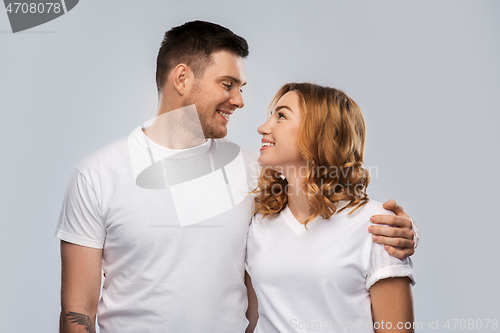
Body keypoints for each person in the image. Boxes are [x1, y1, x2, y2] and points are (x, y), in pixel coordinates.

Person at [56, 21, 417, 333]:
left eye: (241, 87)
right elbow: (78, 311)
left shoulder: (257, 174)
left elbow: (325, 216)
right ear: (182, 78)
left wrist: (397, 235)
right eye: (228, 84)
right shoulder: (98, 176)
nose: (240, 101)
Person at [245, 83, 415, 332]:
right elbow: (251, 321)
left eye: (281, 116)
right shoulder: (259, 224)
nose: (263, 128)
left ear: (318, 133)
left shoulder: (377, 226)